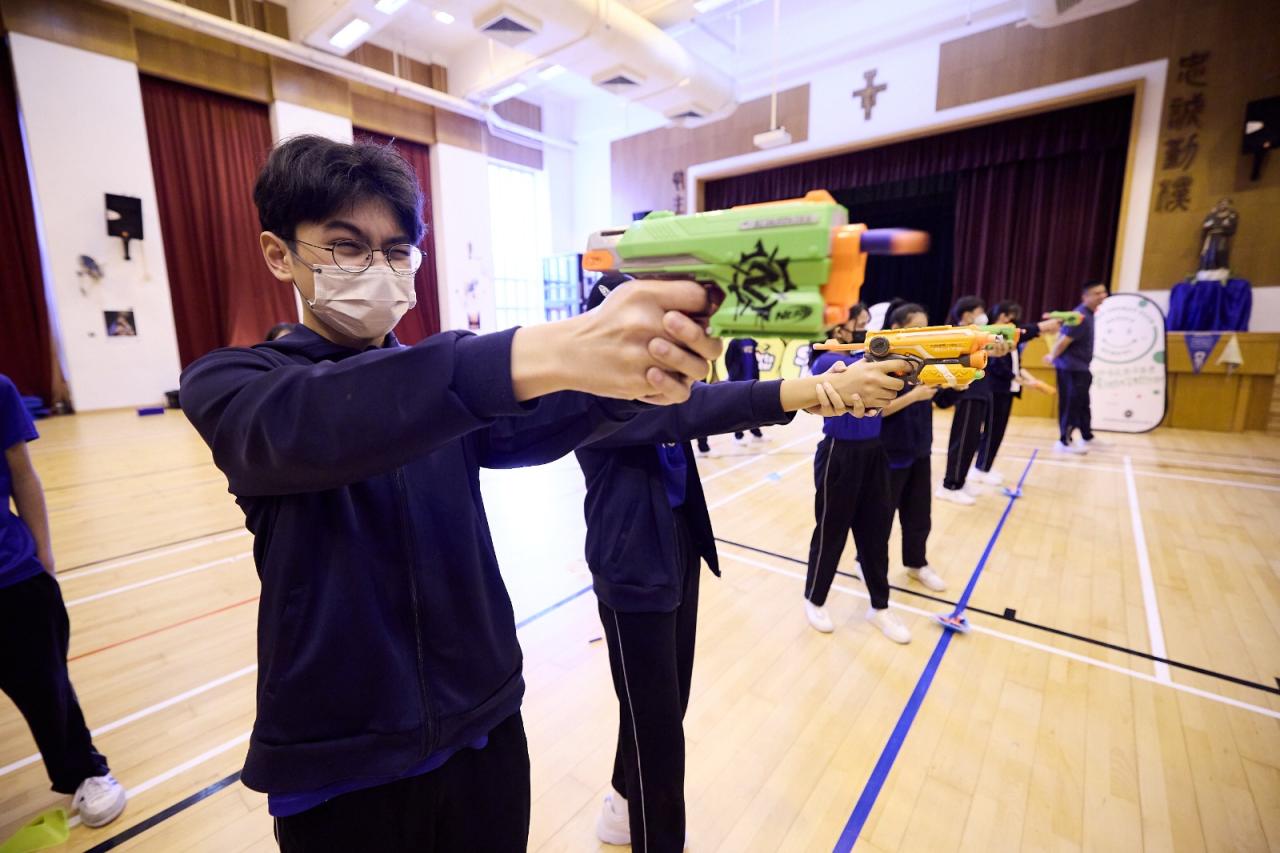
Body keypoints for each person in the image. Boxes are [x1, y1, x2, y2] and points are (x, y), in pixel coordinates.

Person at [178, 135, 722, 851]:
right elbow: (322, 418)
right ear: (280, 254)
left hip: (484, 729)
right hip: (342, 763)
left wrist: (636, 374)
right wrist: (550, 347)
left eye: (396, 250)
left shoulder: (444, 392)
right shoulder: (232, 384)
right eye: (347, 247)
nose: (378, 268)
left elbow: (541, 416)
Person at [579, 279, 905, 852]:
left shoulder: (654, 381)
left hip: (676, 543)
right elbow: (692, 412)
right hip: (632, 565)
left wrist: (818, 390)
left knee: (663, 704)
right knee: (658, 734)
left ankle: (621, 802)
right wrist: (810, 390)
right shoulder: (592, 388)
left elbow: (695, 401)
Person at [0, 374, 127, 828]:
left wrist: (44, 556)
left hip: (11, 577)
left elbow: (22, 472)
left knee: (46, 689)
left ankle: (84, 771)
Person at [802, 335, 913, 644]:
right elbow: (855, 369)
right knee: (831, 531)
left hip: (874, 452)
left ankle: (880, 606)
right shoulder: (827, 361)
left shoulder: (865, 362)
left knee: (876, 532)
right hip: (839, 453)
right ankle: (814, 599)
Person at [876, 303, 947, 594]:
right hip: (891, 452)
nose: (923, 333)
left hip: (920, 448)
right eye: (916, 327)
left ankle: (917, 563)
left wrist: (955, 384)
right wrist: (914, 396)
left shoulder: (925, 360)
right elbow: (878, 410)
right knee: (881, 516)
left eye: (925, 327)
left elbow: (939, 400)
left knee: (919, 514)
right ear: (897, 329)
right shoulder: (882, 362)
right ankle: (866, 562)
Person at [971, 301, 1059, 483]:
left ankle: (985, 467)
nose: (1013, 322)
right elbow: (998, 368)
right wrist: (1024, 382)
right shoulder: (992, 337)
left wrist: (1030, 381)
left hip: (1006, 390)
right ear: (1001, 316)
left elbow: (1016, 365)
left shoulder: (1010, 338)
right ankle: (981, 468)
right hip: (994, 390)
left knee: (998, 431)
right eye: (1010, 318)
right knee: (992, 430)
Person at [934, 295, 1010, 506]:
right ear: (967, 315)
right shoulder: (958, 334)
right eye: (979, 312)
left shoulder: (975, 334)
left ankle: (961, 479)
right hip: (967, 391)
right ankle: (950, 485)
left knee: (972, 441)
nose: (983, 315)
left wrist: (998, 348)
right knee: (963, 440)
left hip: (980, 390)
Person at [1044, 281, 1108, 454]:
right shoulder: (1079, 316)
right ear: (1085, 297)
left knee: (1082, 403)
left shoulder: (1089, 314)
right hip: (1070, 368)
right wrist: (1052, 356)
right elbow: (1064, 340)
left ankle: (1087, 437)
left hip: (1081, 368)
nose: (1102, 296)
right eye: (1097, 293)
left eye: (1103, 292)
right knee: (1070, 404)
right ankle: (1064, 442)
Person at [725, 337, 765, 443]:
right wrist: (733, 375)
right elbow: (728, 360)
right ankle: (738, 436)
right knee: (738, 409)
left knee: (753, 409)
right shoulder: (734, 342)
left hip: (752, 381)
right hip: (738, 382)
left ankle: (756, 433)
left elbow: (755, 358)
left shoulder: (752, 341)